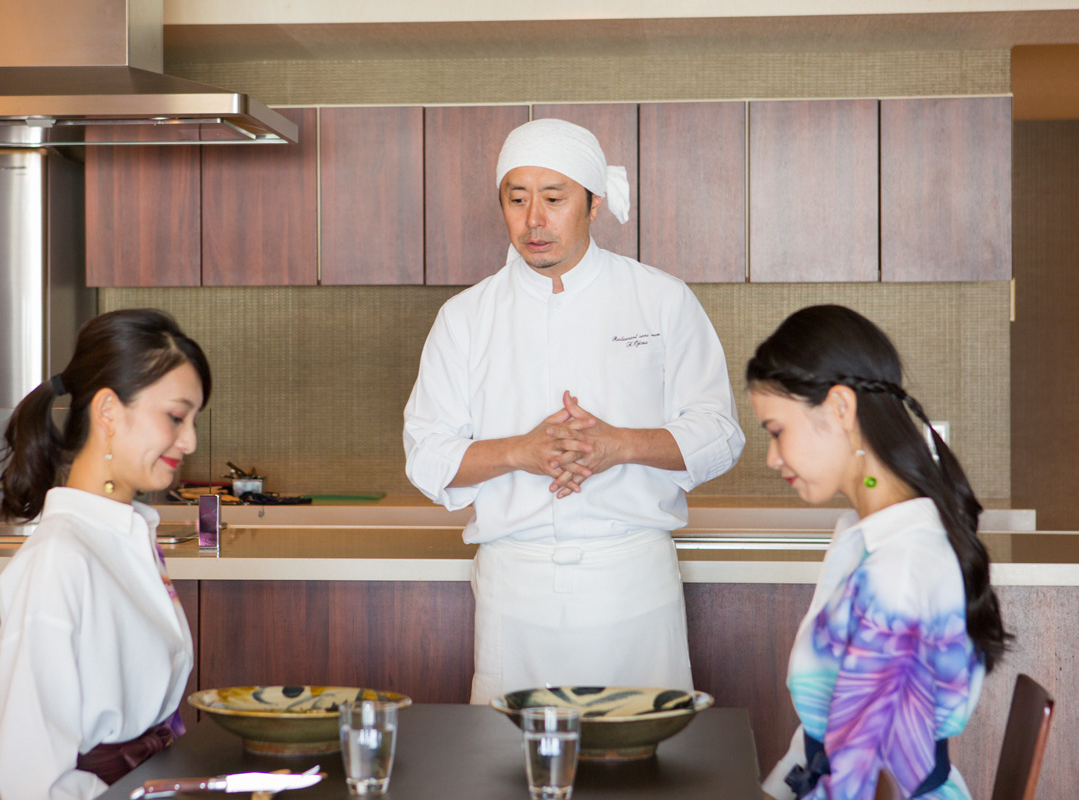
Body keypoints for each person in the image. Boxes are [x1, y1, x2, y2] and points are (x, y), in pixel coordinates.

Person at [403, 118, 745, 704]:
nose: (534, 219)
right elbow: (426, 457)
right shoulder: (465, 317)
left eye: (554, 198)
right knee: (508, 754)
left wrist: (620, 445)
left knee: (643, 751)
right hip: (515, 587)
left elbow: (719, 434)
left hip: (634, 580)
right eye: (517, 199)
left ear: (594, 204)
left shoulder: (660, 299)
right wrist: (520, 452)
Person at [747, 305, 1011, 800]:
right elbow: (821, 747)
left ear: (840, 408)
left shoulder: (898, 571)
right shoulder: (868, 536)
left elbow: (865, 782)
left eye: (777, 431)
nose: (772, 458)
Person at [0, 309, 212, 800]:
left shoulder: (125, 537)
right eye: (176, 417)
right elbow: (31, 781)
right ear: (108, 411)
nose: (190, 441)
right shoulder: (58, 561)